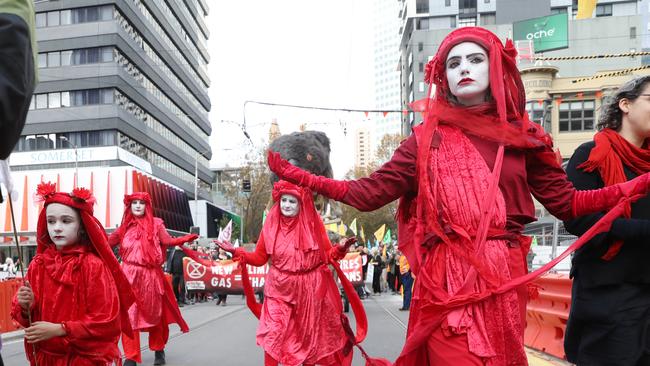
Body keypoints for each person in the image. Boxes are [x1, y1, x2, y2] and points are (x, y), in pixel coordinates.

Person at [268, 26, 650, 365]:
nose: (464, 68)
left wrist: (632, 187)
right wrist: (301, 177)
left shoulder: (526, 139)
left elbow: (568, 205)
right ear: (444, 78)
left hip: (504, 280)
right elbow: (367, 194)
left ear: (495, 68)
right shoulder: (424, 139)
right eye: (453, 64)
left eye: (475, 59)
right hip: (445, 282)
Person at [217, 180, 366, 366]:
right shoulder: (270, 225)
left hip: (308, 289)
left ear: (301, 203)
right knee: (273, 334)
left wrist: (341, 248)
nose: (286, 205)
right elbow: (259, 258)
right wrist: (237, 252)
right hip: (278, 288)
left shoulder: (313, 223)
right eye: (283, 200)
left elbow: (327, 255)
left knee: (306, 342)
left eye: (292, 201)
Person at [563, 75, 650, 365]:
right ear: (625, 104)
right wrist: (641, 231)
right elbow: (578, 217)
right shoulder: (590, 155)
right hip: (609, 293)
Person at [11, 182, 135, 365]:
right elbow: (26, 320)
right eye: (51, 221)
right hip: (46, 359)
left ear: (82, 226)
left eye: (66, 221)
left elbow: (106, 321)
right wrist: (25, 306)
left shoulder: (93, 265)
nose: (57, 227)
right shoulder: (38, 264)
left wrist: (61, 329)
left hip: (83, 359)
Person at [108, 192, 197, 366]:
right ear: (129, 206)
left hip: (150, 277)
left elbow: (167, 241)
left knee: (154, 316)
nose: (138, 206)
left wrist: (183, 239)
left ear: (147, 205)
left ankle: (159, 349)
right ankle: (131, 357)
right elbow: (106, 242)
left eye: (142, 202)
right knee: (129, 316)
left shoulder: (157, 224)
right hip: (127, 276)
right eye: (134, 203)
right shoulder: (124, 228)